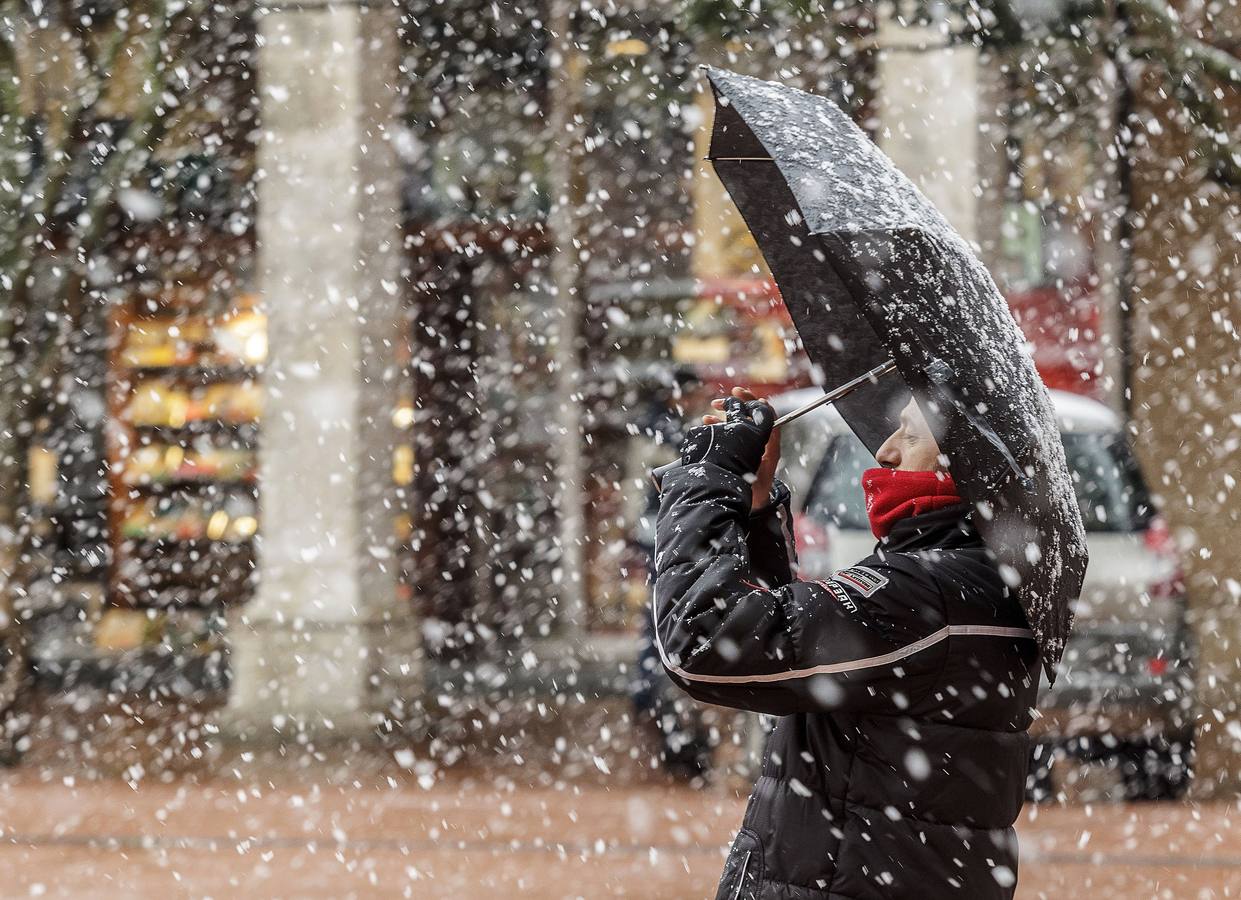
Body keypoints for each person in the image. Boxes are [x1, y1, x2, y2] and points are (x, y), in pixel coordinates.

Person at [652, 387, 1041, 899]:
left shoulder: (928, 594)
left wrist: (706, 479)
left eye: (912, 433)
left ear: (965, 463)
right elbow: (790, 673)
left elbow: (705, 641)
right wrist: (755, 508)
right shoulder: (978, 584)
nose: (886, 451)